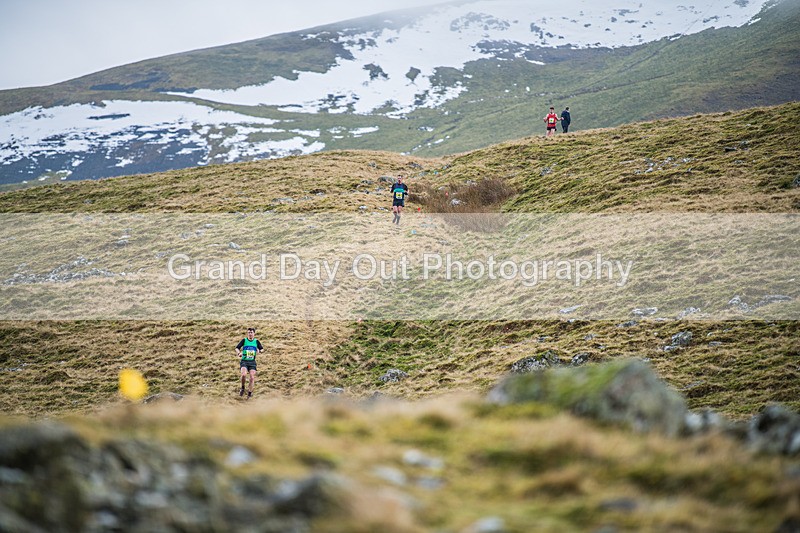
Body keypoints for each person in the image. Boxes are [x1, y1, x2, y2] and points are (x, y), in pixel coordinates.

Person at [235, 327, 263, 398]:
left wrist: (259, 351)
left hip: (252, 362)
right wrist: (239, 353)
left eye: (251, 332)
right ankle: (243, 387)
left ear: (254, 333)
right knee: (244, 374)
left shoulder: (256, 341)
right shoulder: (244, 340)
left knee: (252, 377)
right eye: (249, 332)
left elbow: (262, 349)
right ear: (247, 333)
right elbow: (237, 348)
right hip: (244, 361)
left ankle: (250, 393)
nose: (250, 334)